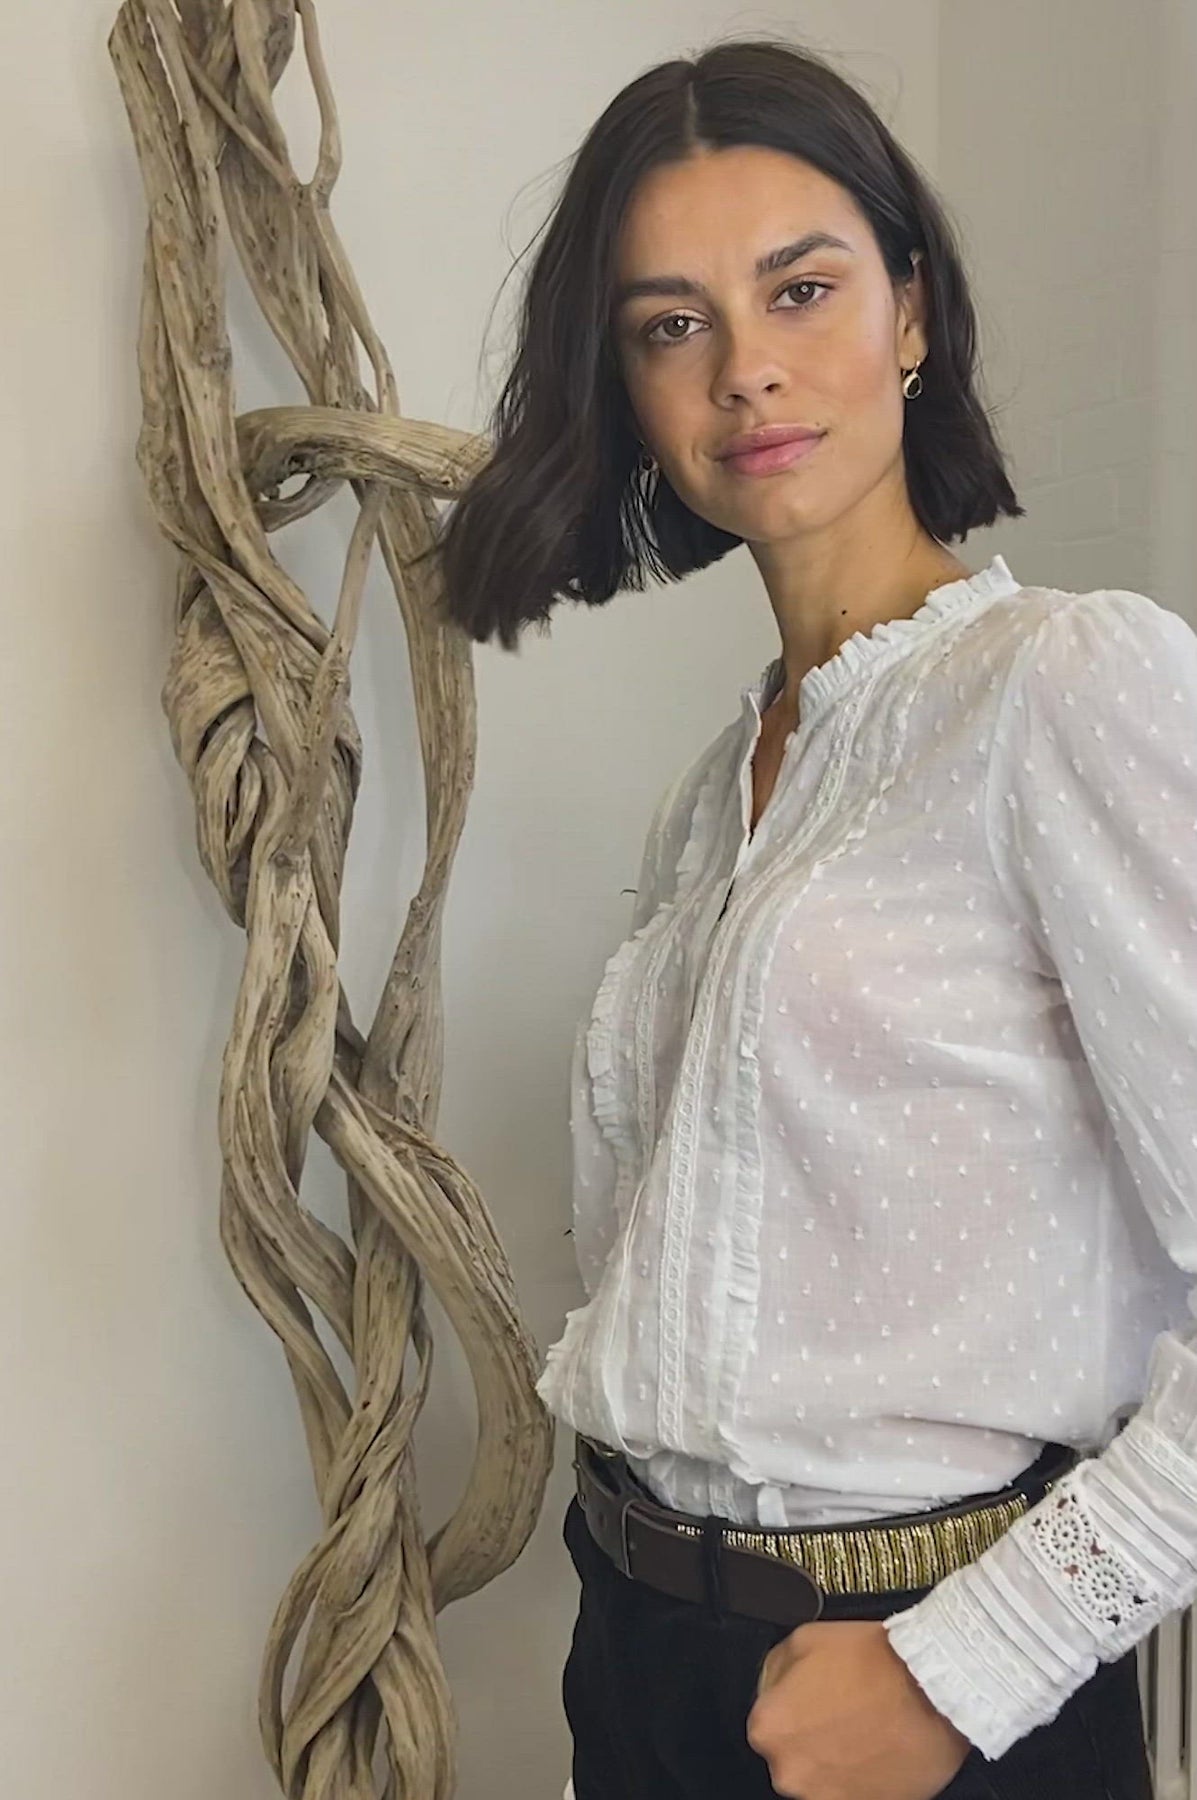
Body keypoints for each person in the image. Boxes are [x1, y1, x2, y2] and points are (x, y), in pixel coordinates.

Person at [425, 35, 1197, 1800]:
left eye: (800, 288)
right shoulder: (724, 788)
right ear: (625, 384)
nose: (746, 369)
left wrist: (966, 1668)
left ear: (908, 310)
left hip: (924, 1680)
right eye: (670, 324)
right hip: (636, 1649)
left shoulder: (1060, 688)